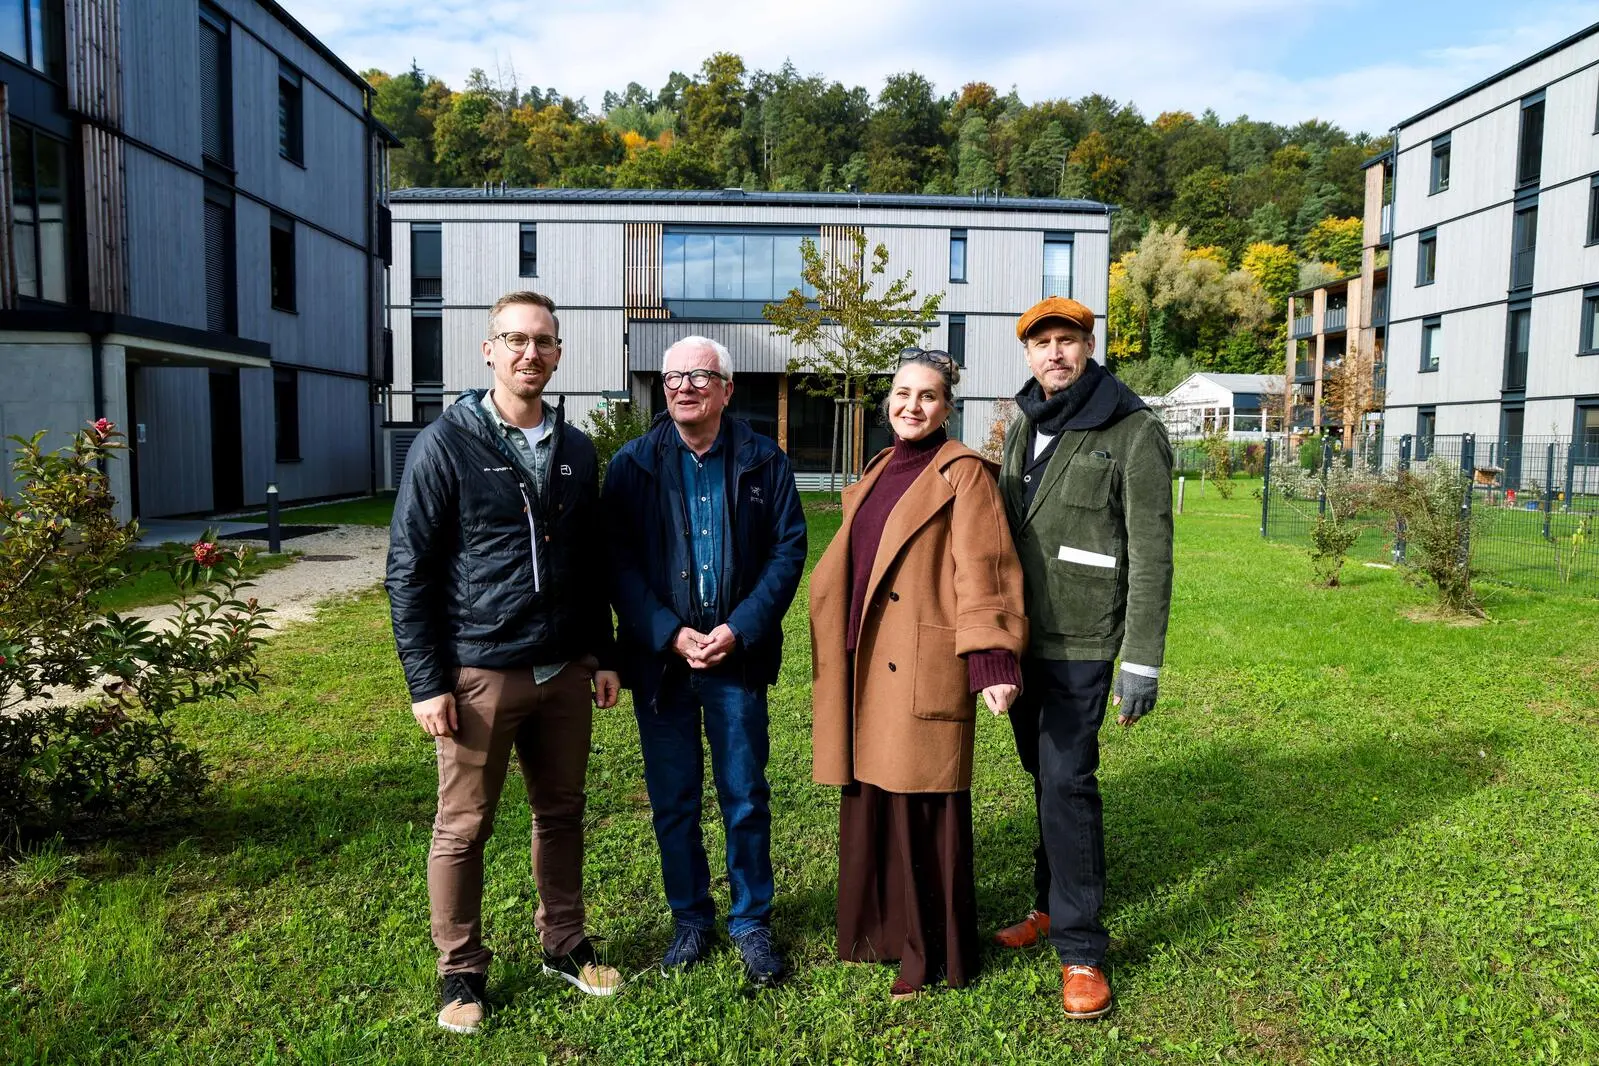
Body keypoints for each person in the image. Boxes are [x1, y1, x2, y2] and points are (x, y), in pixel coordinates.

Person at [386, 290, 624, 1035]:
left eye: (543, 342)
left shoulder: (578, 450)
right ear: (488, 350)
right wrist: (427, 683)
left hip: (563, 672)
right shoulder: (445, 443)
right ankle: (459, 968)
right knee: (463, 826)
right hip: (480, 672)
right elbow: (408, 569)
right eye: (514, 340)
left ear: (559, 354)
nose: (529, 353)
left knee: (562, 814)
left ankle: (564, 941)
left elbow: (589, 563)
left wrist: (603, 652)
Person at [809, 351, 1028, 1000]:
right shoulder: (879, 468)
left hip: (918, 663)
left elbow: (984, 569)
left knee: (919, 811)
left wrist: (991, 660)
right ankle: (875, 934)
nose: (911, 406)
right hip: (864, 662)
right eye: (902, 393)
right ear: (886, 402)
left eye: (927, 396)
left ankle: (929, 954)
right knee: (871, 800)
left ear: (947, 406)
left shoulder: (963, 474)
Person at [602, 335, 807, 988]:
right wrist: (667, 632)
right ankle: (690, 919)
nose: (683, 386)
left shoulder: (763, 462)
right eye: (671, 377)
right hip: (661, 667)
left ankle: (750, 923)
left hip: (734, 663)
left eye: (698, 375)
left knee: (745, 796)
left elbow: (787, 551)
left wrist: (740, 628)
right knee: (674, 801)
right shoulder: (632, 465)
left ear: (726, 389)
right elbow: (617, 563)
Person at [993, 296, 1174, 1020]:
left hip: (1086, 642)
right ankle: (1046, 903)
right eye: (1042, 344)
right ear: (1028, 356)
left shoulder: (1132, 429)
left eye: (1067, 341)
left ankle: (1081, 950)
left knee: (1067, 784)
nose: (1054, 354)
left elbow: (1153, 554)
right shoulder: (1021, 426)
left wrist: (1143, 661)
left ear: (1086, 346)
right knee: (1042, 778)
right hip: (1019, 641)